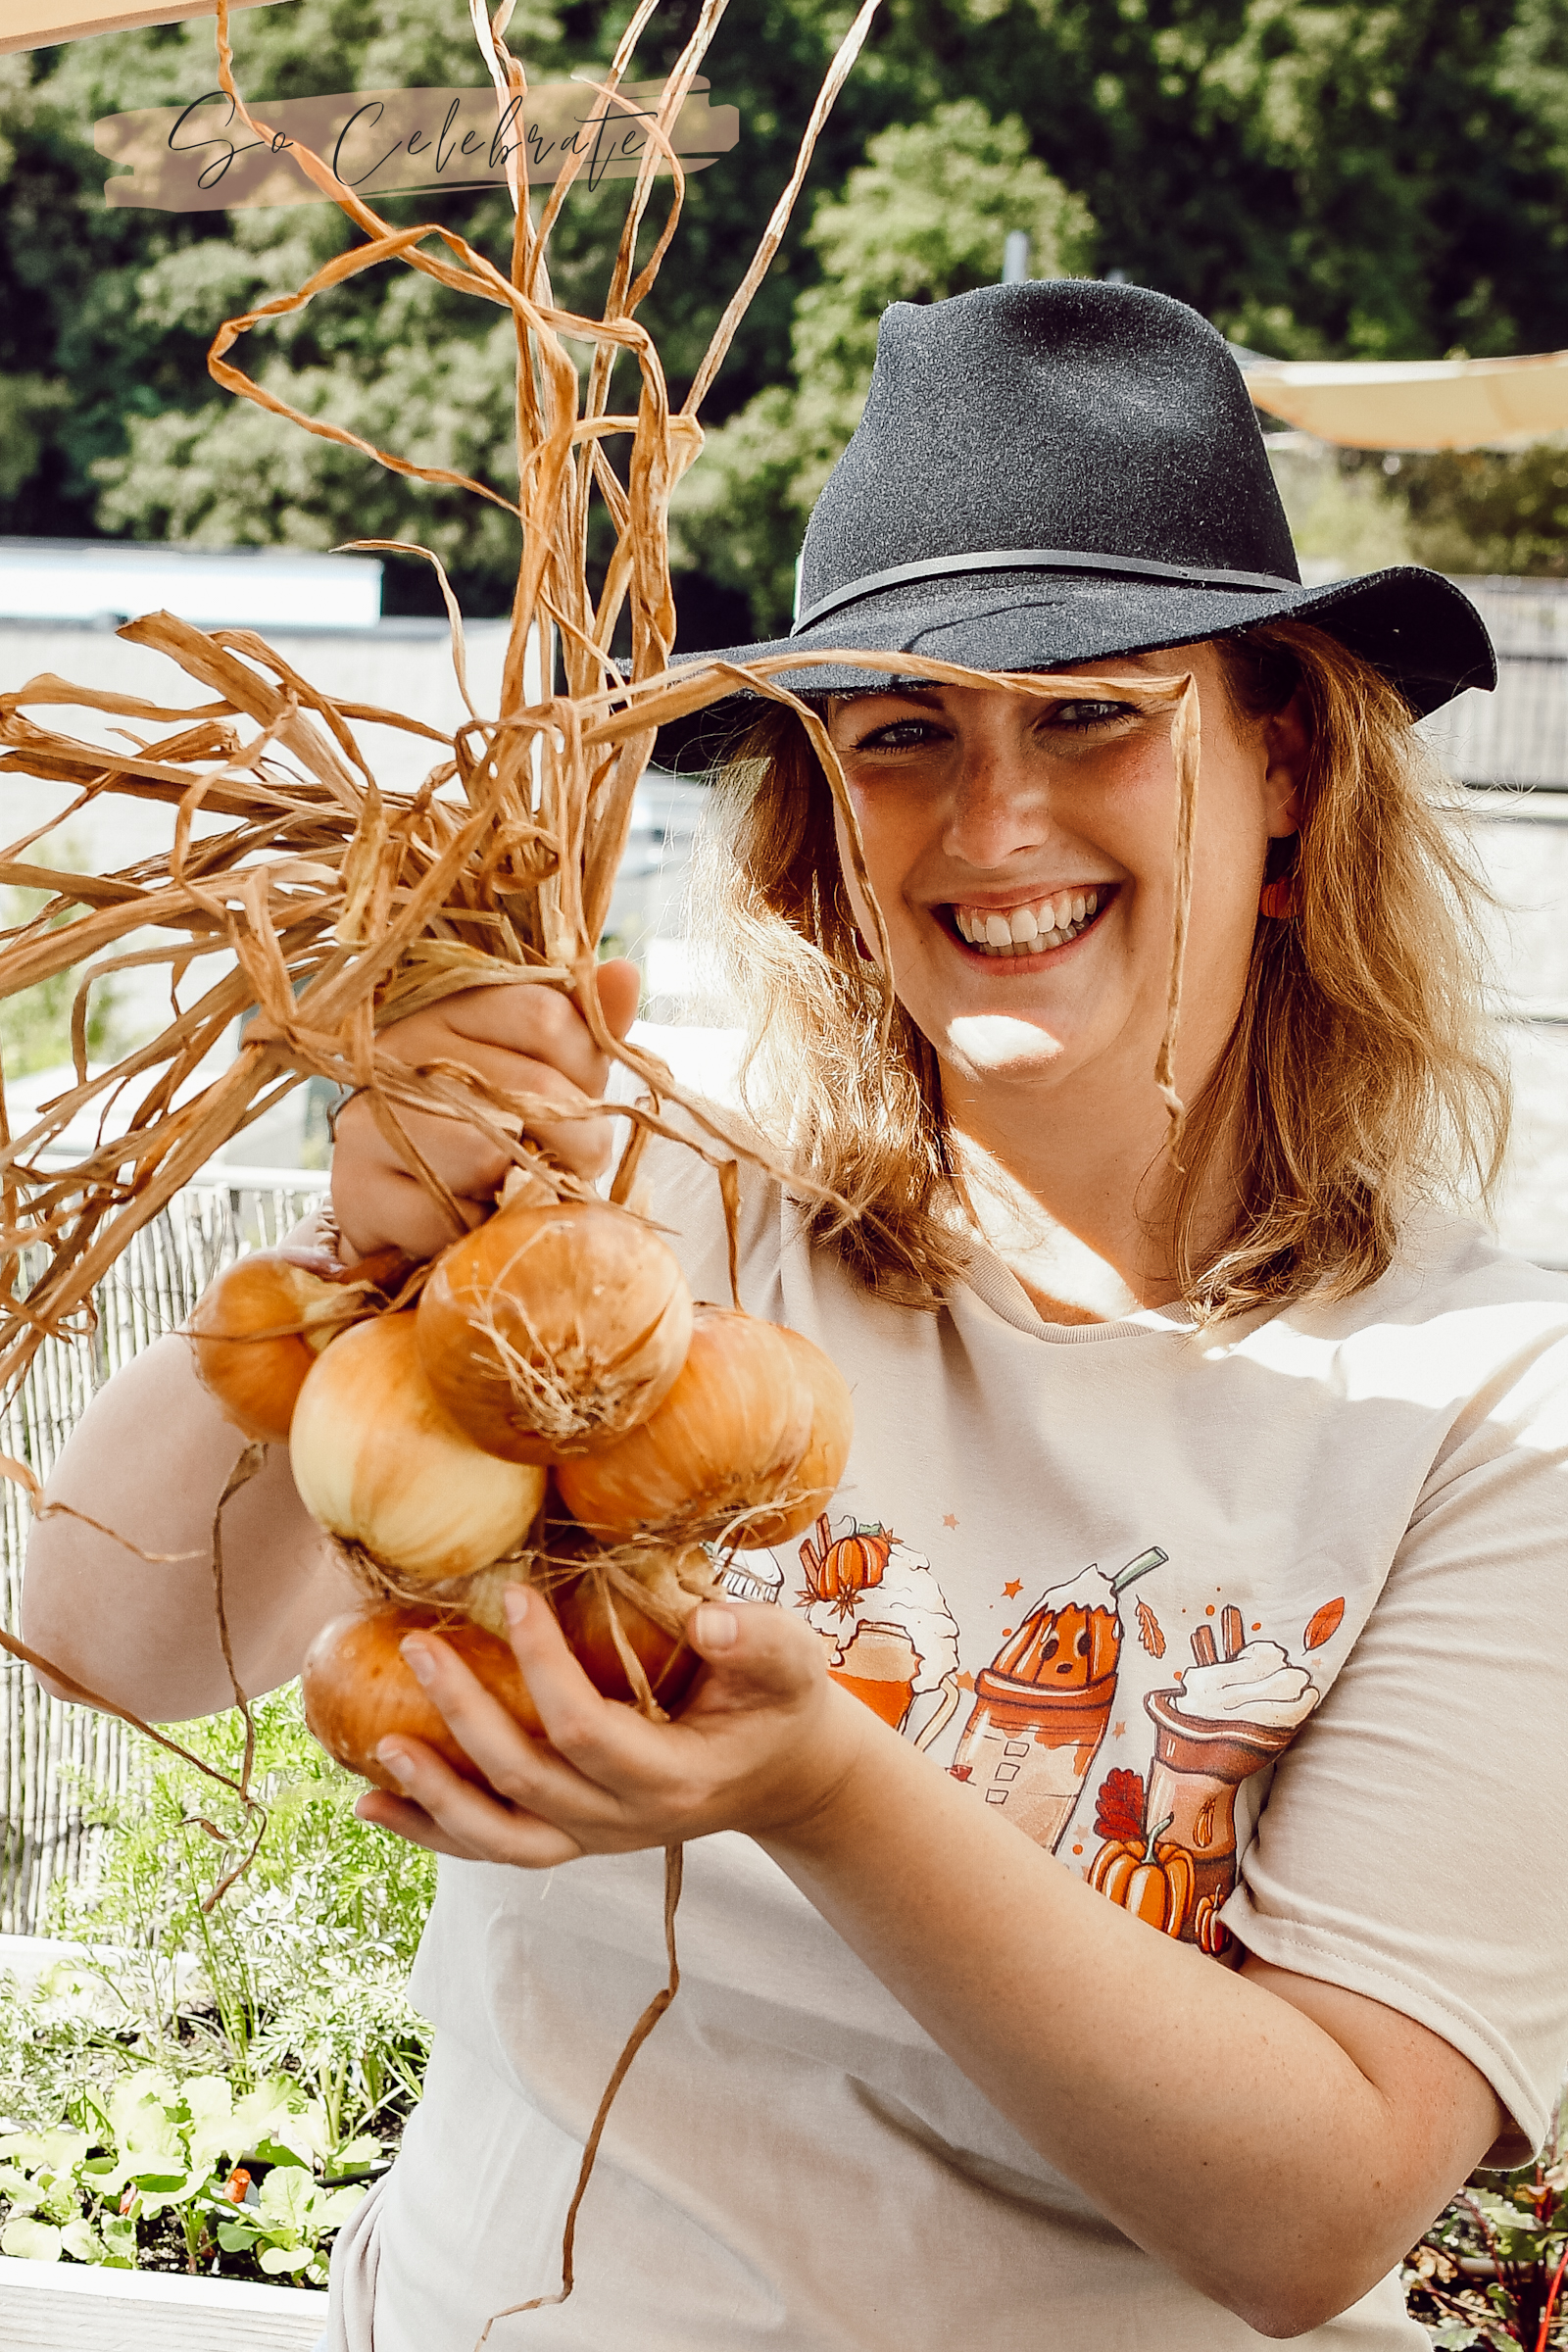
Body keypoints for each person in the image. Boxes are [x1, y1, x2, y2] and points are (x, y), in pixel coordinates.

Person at [24, 280, 1568, 2352]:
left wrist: (821, 1791)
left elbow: (1309, 2206)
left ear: (1279, 760)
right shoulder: (637, 1209)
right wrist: (369, 1250)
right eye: (901, 732)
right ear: (822, 818)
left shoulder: (1484, 1402)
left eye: (1092, 714)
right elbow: (111, 1645)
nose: (991, 822)